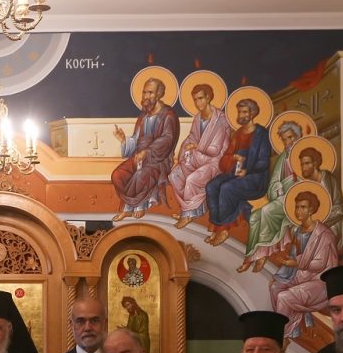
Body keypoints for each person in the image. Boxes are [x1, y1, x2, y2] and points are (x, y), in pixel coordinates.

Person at [268, 186, 341, 338]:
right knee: (274, 287)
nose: (298, 211)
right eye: (297, 207)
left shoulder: (323, 235)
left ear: (311, 210)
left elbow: (319, 264)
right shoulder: (296, 231)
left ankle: (282, 335)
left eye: (303, 207)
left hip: (320, 282)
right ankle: (292, 327)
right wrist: (284, 265)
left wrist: (295, 263)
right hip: (302, 277)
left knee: (283, 297)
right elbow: (293, 257)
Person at [204, 98, 272, 245]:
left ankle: (223, 229)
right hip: (234, 173)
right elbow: (226, 156)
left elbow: (263, 162)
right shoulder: (238, 133)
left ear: (252, 113)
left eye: (245, 112)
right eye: (239, 112)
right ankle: (217, 223)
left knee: (227, 188)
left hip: (255, 178)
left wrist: (247, 171)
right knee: (211, 186)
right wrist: (233, 158)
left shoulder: (261, 134)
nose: (241, 115)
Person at [241, 119, 306, 271]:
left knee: (266, 211)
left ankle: (263, 254)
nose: (288, 142)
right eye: (284, 139)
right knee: (254, 217)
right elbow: (274, 180)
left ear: (298, 136)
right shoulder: (283, 157)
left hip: (295, 199)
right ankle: (251, 255)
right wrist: (278, 187)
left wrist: (294, 183)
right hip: (281, 197)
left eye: (290, 137)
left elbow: (309, 182)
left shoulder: (304, 155)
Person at [111, 77, 179, 220]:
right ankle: (130, 206)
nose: (146, 96)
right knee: (117, 174)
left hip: (158, 159)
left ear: (159, 94)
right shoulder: (143, 115)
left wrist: (147, 152)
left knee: (141, 175)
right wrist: (124, 140)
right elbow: (137, 139)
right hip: (139, 156)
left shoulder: (168, 115)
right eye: (144, 92)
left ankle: (138, 206)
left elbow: (167, 140)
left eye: (150, 93)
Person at [170, 83, 231, 228]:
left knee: (192, 179)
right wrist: (183, 151)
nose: (198, 103)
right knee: (175, 175)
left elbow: (215, 150)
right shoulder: (198, 118)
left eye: (201, 98)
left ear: (208, 98)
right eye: (195, 100)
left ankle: (187, 214)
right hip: (198, 157)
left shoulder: (220, 120)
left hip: (215, 162)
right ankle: (190, 209)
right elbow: (192, 136)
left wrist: (196, 146)